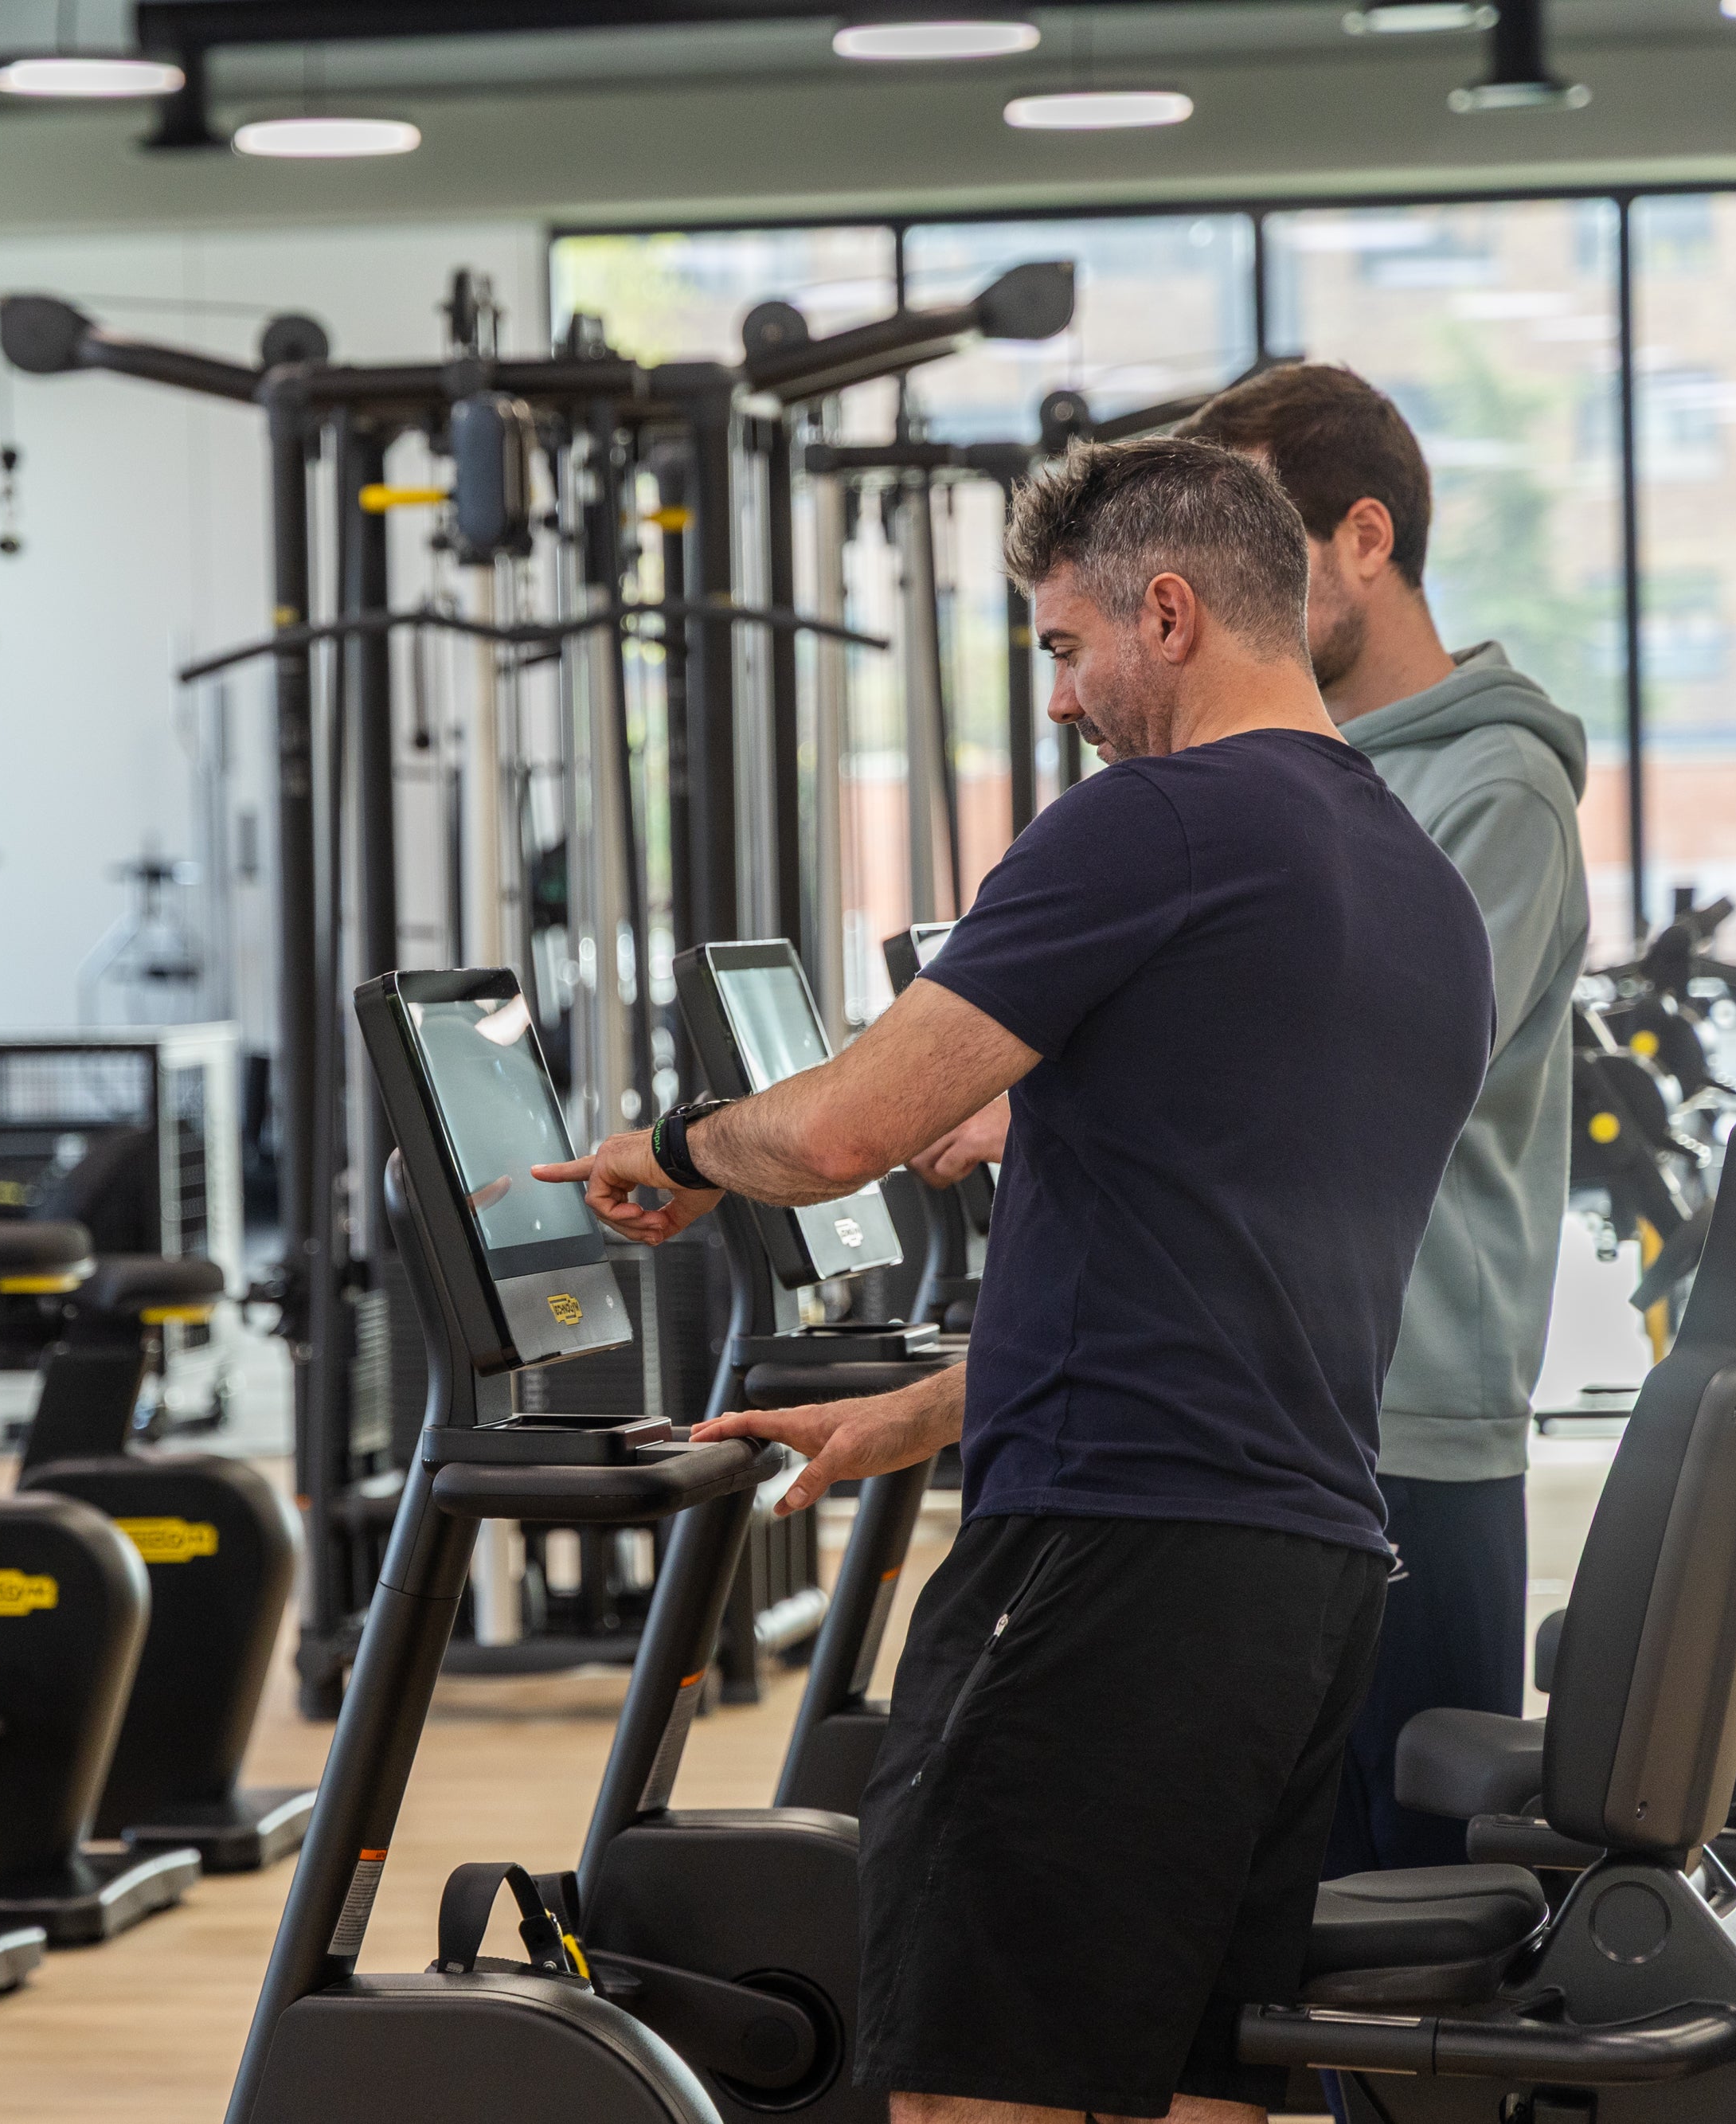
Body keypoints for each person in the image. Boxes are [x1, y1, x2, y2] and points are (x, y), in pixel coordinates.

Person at [533, 436, 1492, 2124]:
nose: (1063, 700)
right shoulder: (1411, 884)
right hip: (1301, 1578)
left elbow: (838, 1131)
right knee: (1188, 2091)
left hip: (1104, 1570)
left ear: (1168, 612)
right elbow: (1225, 1276)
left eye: (1065, 646)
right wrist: (913, 1413)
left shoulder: (1152, 822)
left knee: (975, 2090)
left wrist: (670, 1150)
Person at [1181, 362, 1592, 1878]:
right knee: (1305, 1900)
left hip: (1416, 1417)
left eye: (1267, 553)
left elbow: (1395, 1062)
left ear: (1367, 537)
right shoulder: (1299, 778)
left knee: (1413, 1929)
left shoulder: (1497, 783)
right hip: (1290, 1408)